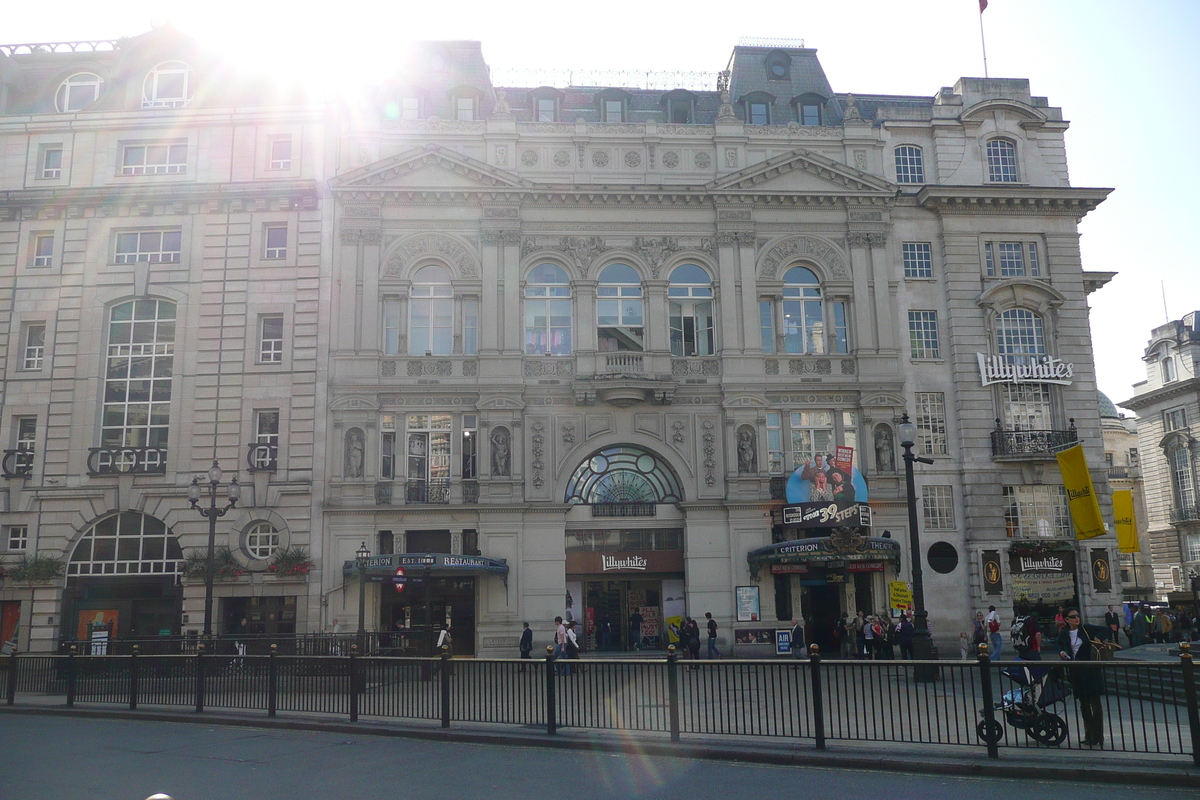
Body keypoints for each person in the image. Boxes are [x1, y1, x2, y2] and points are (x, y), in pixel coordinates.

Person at [1056, 608, 1112, 746]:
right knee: (1084, 705)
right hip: (1076, 671)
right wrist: (1062, 651)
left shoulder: (1086, 628)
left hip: (1091, 670)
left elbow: (1107, 630)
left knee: (1095, 703)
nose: (1076, 618)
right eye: (1073, 616)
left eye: (1077, 616)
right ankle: (1088, 733)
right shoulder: (1064, 633)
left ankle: (1098, 735)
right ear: (1066, 620)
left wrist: (1098, 637)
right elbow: (1058, 644)